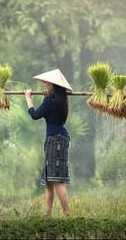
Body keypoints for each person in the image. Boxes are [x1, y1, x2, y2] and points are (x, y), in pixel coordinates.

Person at [24, 69, 73, 217]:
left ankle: (67, 214)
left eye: (47, 82)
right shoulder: (62, 99)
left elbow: (35, 115)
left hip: (55, 140)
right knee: (50, 180)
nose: (45, 84)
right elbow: (50, 110)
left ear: (54, 84)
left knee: (57, 180)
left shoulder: (50, 101)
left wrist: (28, 98)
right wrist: (47, 96)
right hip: (61, 138)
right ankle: (47, 214)